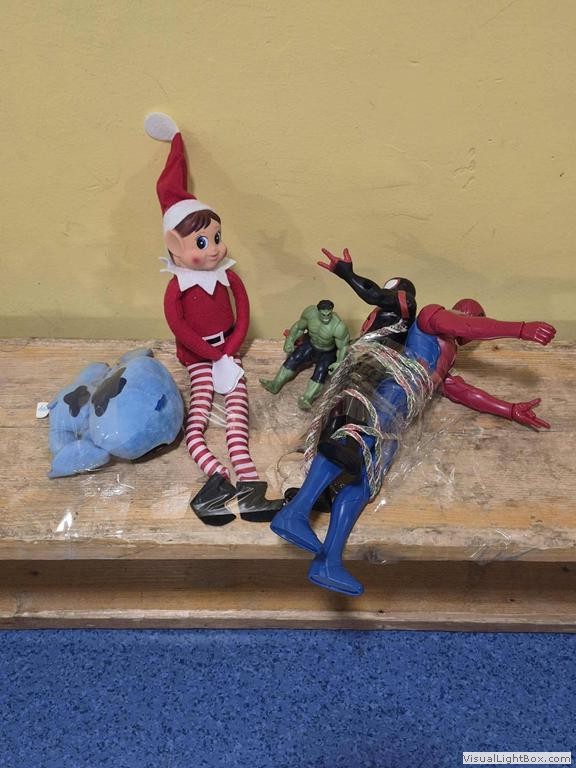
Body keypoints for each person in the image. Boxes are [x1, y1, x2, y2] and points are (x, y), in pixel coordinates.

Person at [270, 296, 556, 596]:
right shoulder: (432, 318)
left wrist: (509, 409)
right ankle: (295, 512)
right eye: (476, 318)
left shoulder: (445, 359)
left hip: (400, 419)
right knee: (353, 440)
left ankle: (329, 561)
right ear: (464, 313)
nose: (474, 329)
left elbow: (461, 391)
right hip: (390, 391)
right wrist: (520, 329)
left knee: (366, 482)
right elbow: (466, 326)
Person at [145, 112, 282, 525]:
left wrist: (232, 346)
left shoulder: (227, 275)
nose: (215, 249)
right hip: (199, 358)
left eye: (216, 238)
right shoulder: (177, 286)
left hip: (228, 353)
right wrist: (209, 353)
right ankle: (217, 479)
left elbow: (244, 311)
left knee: (238, 419)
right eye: (201, 243)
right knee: (198, 423)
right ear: (174, 245)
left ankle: (251, 485)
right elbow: (178, 325)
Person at [260, 300, 350, 410]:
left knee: (321, 371)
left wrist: (339, 362)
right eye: (323, 314)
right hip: (311, 344)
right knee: (294, 358)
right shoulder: (310, 314)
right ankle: (275, 384)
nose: (326, 317)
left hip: (327, 352)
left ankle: (307, 398)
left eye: (329, 314)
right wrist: (290, 340)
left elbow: (343, 347)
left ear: (332, 311)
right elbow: (299, 327)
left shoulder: (338, 326)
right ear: (318, 311)